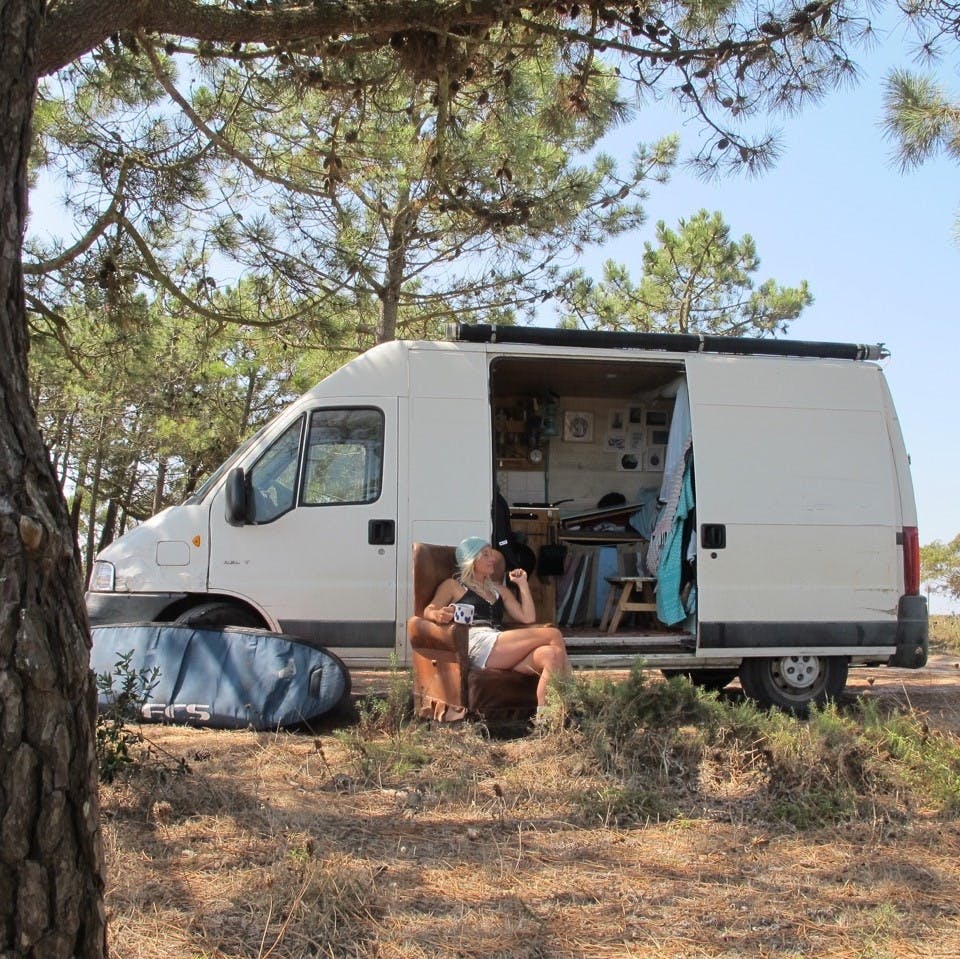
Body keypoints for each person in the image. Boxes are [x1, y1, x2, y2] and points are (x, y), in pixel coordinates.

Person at [424, 536, 570, 707]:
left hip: (500, 645)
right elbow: (429, 609)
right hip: (477, 643)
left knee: (552, 655)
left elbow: (528, 618)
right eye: (485, 555)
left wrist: (523, 585)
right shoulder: (453, 586)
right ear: (471, 560)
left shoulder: (499, 590)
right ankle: (573, 698)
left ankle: (546, 718)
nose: (493, 558)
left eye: (491, 554)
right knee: (553, 633)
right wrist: (437, 615)